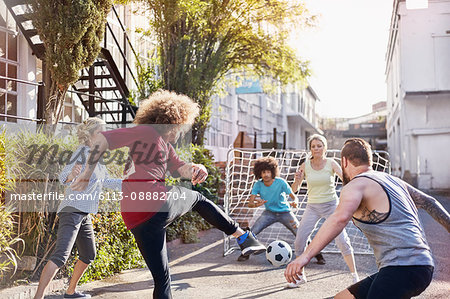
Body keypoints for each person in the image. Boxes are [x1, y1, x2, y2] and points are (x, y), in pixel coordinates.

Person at [71, 90, 266, 299]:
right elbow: (101, 140)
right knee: (199, 199)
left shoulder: (162, 143)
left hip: (135, 217)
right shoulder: (147, 132)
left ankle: (244, 238)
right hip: (153, 201)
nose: (181, 133)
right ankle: (243, 237)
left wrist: (197, 167)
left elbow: (180, 169)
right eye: (181, 128)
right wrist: (86, 173)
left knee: (162, 279)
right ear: (173, 121)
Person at [285, 138, 450, 298]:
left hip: (402, 268)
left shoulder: (356, 185)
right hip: (420, 266)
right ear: (369, 160)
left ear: (344, 162)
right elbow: (430, 202)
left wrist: (305, 257)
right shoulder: (393, 180)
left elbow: (339, 219)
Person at [34, 118, 122, 299]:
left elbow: (106, 181)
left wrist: (130, 183)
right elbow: (63, 176)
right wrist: (72, 174)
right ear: (90, 135)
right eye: (100, 132)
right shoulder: (82, 152)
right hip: (72, 210)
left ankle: (70, 292)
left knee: (88, 254)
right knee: (61, 256)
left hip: (83, 213)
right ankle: (38, 297)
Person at [289, 134, 359, 287]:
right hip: (312, 207)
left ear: (324, 148)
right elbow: (294, 190)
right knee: (299, 241)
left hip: (331, 206)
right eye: (313, 146)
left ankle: (355, 276)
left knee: (342, 241)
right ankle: (300, 277)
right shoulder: (305, 165)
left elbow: (346, 181)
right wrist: (297, 179)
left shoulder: (331, 163)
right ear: (310, 149)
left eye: (319, 146)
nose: (316, 149)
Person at [237, 156, 299, 261]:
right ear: (259, 173)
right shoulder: (258, 184)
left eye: (268, 172)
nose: (266, 174)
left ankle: (317, 254)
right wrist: (257, 204)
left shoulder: (281, 182)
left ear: (273, 172)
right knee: (252, 232)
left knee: (299, 231)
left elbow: (294, 197)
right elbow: (250, 204)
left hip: (285, 212)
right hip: (269, 213)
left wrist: (295, 202)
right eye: (263, 172)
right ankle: (245, 253)